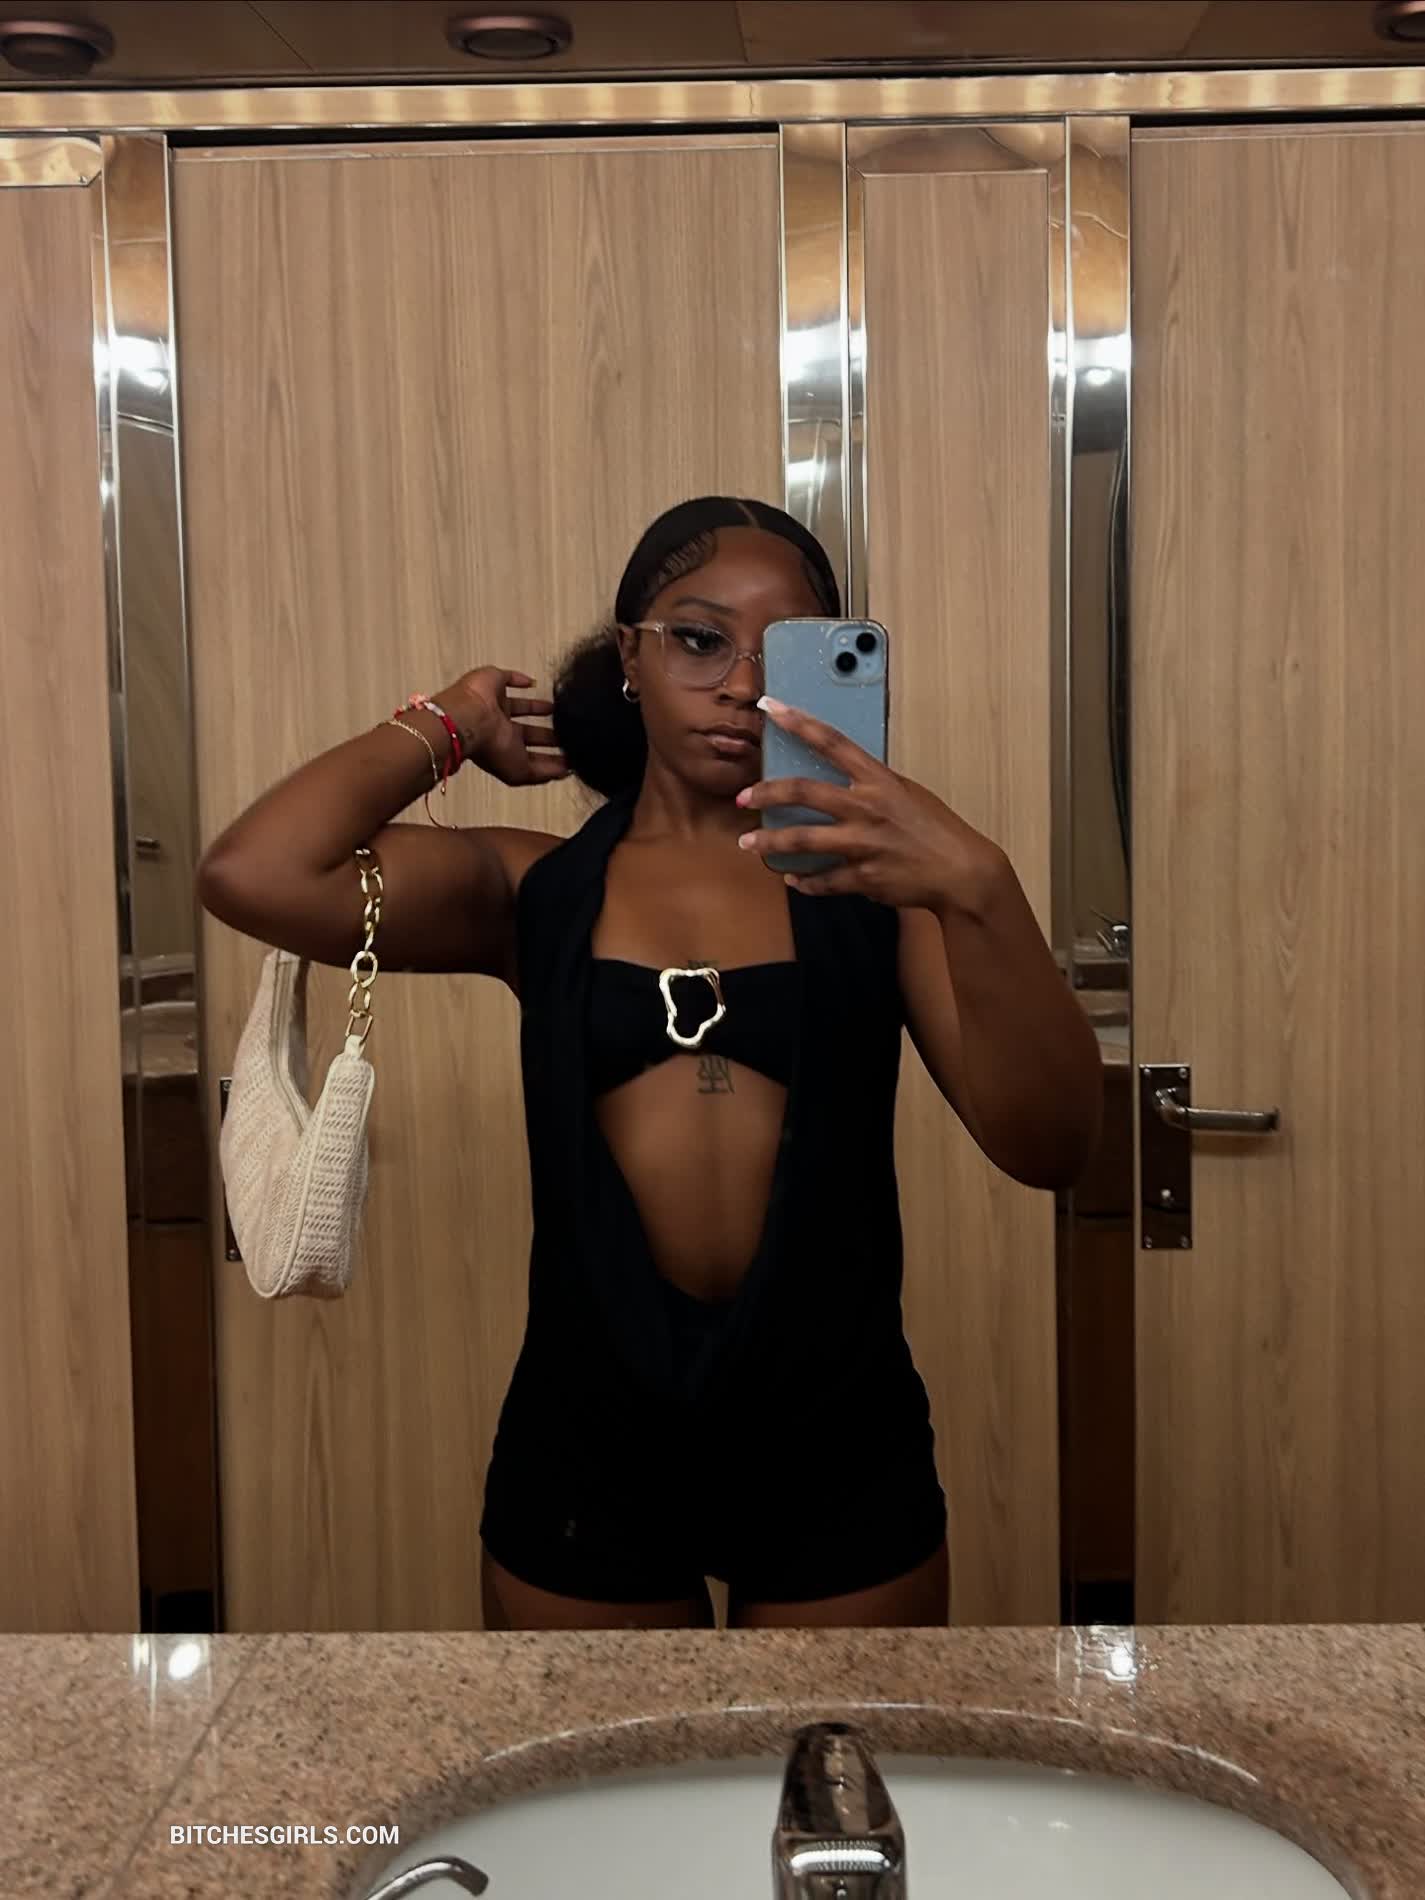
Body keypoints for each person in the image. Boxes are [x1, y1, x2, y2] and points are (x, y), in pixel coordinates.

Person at [199, 495, 1102, 1632]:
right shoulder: (535, 890)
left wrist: (980, 885)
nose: (740, 684)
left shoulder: (887, 895)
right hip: (588, 1438)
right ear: (630, 655)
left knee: (835, 1757)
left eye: (782, 652)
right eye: (700, 639)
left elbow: (1052, 1145)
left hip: (836, 1434)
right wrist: (454, 721)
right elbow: (255, 872)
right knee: (604, 1759)